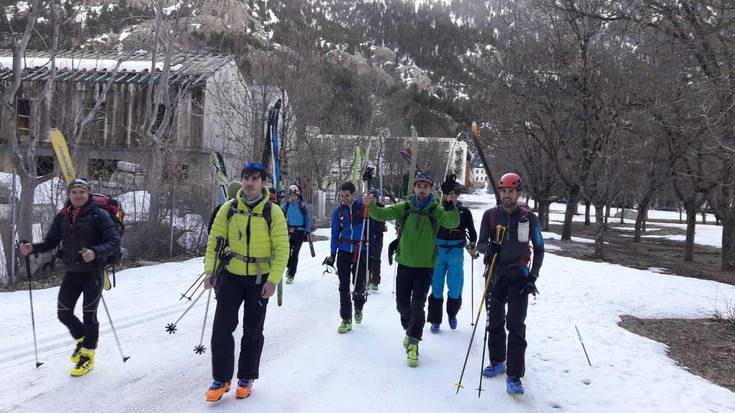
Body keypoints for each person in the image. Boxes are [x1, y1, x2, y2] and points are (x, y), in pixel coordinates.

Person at [203, 162, 289, 402]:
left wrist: (273, 280)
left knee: (253, 330)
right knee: (221, 328)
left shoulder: (273, 212)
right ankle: (221, 379)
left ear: (262, 183)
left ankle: (246, 376)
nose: (249, 183)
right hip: (230, 276)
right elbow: (214, 242)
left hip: (259, 279)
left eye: (254, 179)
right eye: (246, 178)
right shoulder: (228, 209)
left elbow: (282, 248)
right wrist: (210, 272)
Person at [19, 178, 121, 377]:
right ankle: (84, 340)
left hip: (93, 273)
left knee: (89, 315)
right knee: (63, 313)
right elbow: (51, 242)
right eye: (74, 192)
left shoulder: (99, 215)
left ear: (88, 193)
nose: (78, 195)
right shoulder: (63, 216)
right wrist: (33, 248)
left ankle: (88, 356)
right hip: (72, 273)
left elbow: (114, 241)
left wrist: (95, 251)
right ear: (69, 194)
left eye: (82, 192)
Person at [365, 173, 459, 367]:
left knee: (418, 306)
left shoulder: (436, 210)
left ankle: (414, 344)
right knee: (402, 305)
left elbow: (453, 222)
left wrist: (450, 202)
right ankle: (410, 330)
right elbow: (381, 214)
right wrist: (371, 204)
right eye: (419, 186)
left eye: (426, 186)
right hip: (405, 264)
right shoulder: (405, 208)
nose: (422, 189)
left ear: (430, 189)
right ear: (414, 188)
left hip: (425, 267)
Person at [476, 172, 544, 395]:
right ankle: (497, 361)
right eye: (503, 191)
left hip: (519, 278)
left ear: (518, 193)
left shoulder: (529, 218)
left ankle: (515, 375)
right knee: (494, 321)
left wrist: (532, 276)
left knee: (515, 324)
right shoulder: (490, 216)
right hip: (495, 276)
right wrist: (489, 248)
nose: (507, 195)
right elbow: (480, 244)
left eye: (511, 191)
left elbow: (540, 247)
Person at [427, 179, 477, 333]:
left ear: (458, 196)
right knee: (436, 287)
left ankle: (452, 314)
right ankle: (435, 320)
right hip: (439, 251)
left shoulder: (464, 212)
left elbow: (472, 232)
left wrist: (473, 244)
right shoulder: (438, 210)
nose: (452, 197)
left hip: (456, 252)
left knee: (455, 288)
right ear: (444, 195)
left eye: (455, 194)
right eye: (449, 194)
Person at [324, 181, 368, 334]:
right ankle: (346, 319)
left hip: (359, 250)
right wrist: (332, 254)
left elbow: (371, 227)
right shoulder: (338, 212)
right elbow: (335, 234)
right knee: (343, 286)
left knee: (359, 284)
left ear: (353, 195)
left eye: (347, 196)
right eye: (341, 196)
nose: (344, 199)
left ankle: (358, 307)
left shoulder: (362, 208)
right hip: (343, 251)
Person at [281, 184, 313, 284]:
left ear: (297, 195)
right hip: (290, 231)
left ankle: (291, 274)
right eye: (291, 196)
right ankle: (290, 267)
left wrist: (308, 230)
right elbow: (280, 212)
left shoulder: (302, 205)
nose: (292, 197)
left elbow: (308, 218)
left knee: (295, 253)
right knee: (286, 252)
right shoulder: (286, 205)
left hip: (300, 231)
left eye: (294, 196)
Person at [366, 191, 386, 292]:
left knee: (376, 259)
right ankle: (367, 279)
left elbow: (382, 221)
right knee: (367, 259)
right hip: (367, 237)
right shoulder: (365, 207)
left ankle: (375, 281)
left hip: (377, 237)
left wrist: (381, 228)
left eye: (373, 198)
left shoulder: (380, 207)